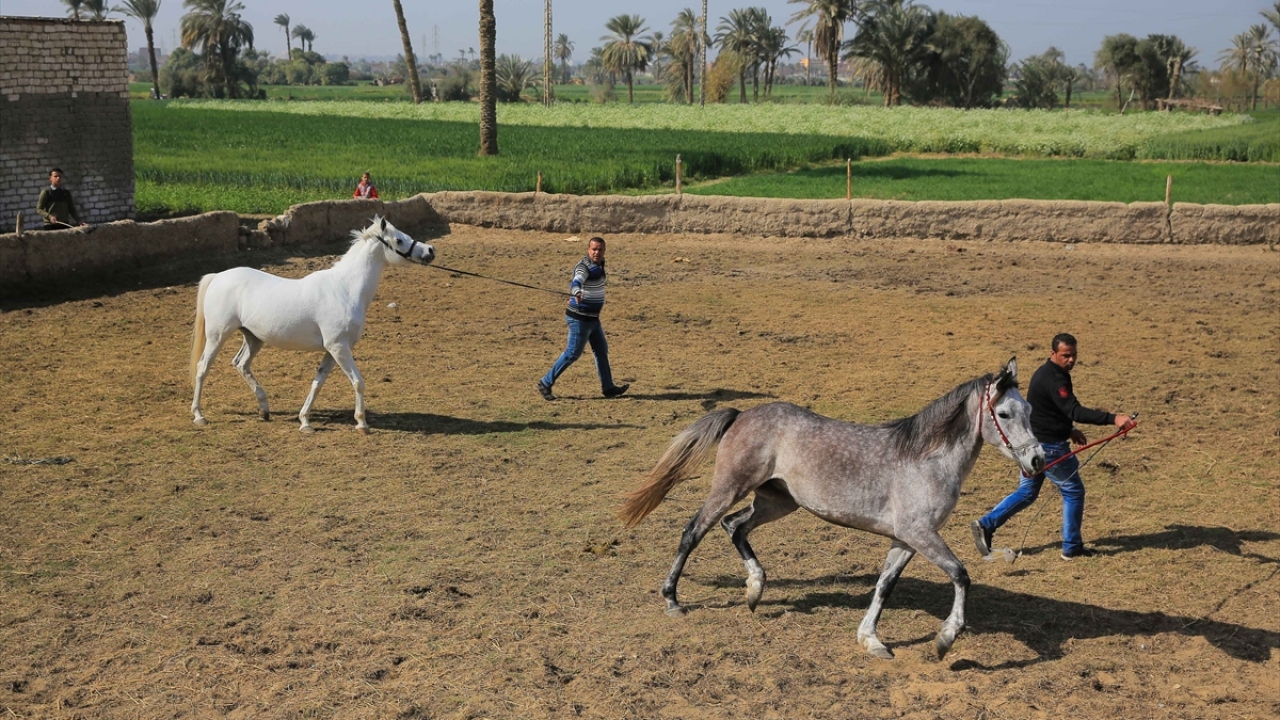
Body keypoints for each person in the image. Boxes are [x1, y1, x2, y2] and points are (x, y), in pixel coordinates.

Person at [971, 333, 1134, 561]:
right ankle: (1072, 547)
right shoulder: (1056, 380)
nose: (1071, 360)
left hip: (1034, 445)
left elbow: (1045, 411)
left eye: (1074, 355)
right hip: (1050, 448)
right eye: (1066, 355)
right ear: (1053, 354)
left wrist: (1069, 430)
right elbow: (1074, 410)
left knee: (1027, 493)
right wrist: (1113, 418)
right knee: (1074, 491)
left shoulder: (1045, 373)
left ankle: (986, 524)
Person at [537, 236, 629, 401]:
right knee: (572, 353)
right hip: (579, 318)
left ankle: (608, 387)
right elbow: (576, 280)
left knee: (601, 350)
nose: (597, 252)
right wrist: (577, 292)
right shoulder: (583, 267)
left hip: (593, 319)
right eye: (594, 249)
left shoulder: (600, 264)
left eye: (600, 249)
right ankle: (545, 382)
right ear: (588, 250)